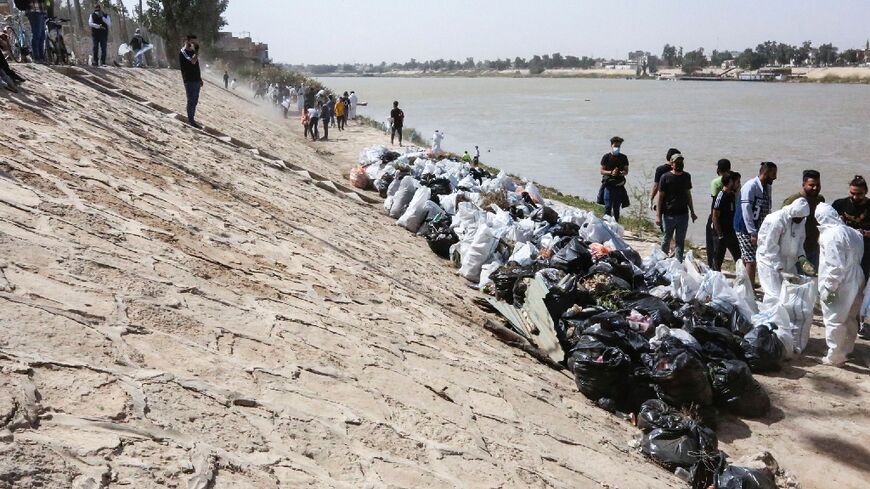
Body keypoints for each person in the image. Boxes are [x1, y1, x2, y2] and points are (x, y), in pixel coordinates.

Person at [816, 203, 866, 367]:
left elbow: (835, 266)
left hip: (841, 282)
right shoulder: (853, 232)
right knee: (851, 315)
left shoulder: (830, 235)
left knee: (834, 317)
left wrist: (829, 288)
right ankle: (845, 349)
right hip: (857, 276)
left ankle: (835, 356)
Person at [756, 198, 810, 306]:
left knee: (791, 292)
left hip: (788, 261)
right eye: (798, 218)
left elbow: (799, 242)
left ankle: (785, 318)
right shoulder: (777, 220)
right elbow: (770, 248)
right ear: (793, 214)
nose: (800, 220)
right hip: (769, 261)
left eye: (802, 218)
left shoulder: (801, 220)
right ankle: (770, 320)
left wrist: (803, 259)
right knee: (774, 295)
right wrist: (780, 269)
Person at [734, 161, 777, 285]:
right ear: (766, 173)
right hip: (745, 227)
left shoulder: (767, 187)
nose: (775, 177)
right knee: (751, 261)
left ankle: (741, 284)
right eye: (773, 174)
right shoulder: (751, 186)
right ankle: (750, 291)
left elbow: (767, 207)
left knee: (747, 257)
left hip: (759, 227)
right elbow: (746, 210)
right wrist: (752, 232)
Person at [656, 153, 697, 262]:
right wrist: (658, 216)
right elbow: (660, 197)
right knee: (666, 240)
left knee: (680, 241)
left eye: (681, 162)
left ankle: (678, 262)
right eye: (677, 162)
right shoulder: (665, 177)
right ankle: (662, 261)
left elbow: (688, 195)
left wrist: (692, 212)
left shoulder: (686, 176)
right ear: (672, 164)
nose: (680, 164)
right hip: (669, 215)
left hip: (683, 214)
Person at [783, 170, 825, 273]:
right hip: (795, 252)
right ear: (803, 184)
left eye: (818, 185)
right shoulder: (792, 201)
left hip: (814, 249)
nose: (815, 188)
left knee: (813, 280)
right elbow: (782, 226)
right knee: (797, 283)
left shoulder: (820, 199)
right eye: (811, 185)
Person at [711, 171, 742, 271]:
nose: (738, 184)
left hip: (731, 232)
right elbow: (715, 217)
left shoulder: (732, 195)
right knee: (718, 260)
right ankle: (715, 280)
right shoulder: (721, 196)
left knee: (739, 257)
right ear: (730, 182)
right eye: (737, 182)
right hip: (721, 234)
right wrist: (720, 235)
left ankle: (743, 278)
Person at [706, 158, 731, 267]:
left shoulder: (715, 182)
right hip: (730, 215)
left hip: (716, 214)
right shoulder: (734, 180)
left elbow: (715, 201)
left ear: (719, 169)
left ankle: (713, 267)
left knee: (712, 244)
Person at [598, 136, 630, 222]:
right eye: (615, 146)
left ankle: (616, 225)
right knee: (608, 207)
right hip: (609, 185)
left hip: (619, 185)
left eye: (619, 146)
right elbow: (601, 171)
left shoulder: (623, 158)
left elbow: (626, 171)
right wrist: (611, 172)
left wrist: (620, 173)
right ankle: (606, 226)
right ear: (611, 145)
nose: (617, 148)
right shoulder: (606, 157)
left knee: (616, 209)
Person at [179, 37, 203, 128]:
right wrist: (196, 51)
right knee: (191, 100)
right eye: (192, 41)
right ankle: (191, 120)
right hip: (189, 79)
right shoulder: (183, 52)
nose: (193, 43)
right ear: (187, 41)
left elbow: (196, 65)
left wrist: (199, 78)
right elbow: (193, 61)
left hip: (196, 79)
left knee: (195, 100)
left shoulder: (193, 52)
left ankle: (192, 118)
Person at [89, 3, 111, 67]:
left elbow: (109, 23)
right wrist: (98, 26)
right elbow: (90, 23)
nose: (97, 10)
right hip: (95, 34)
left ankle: (103, 62)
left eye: (98, 8)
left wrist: (103, 18)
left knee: (103, 48)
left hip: (103, 34)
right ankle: (96, 61)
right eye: (96, 9)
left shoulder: (105, 15)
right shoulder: (92, 15)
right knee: (95, 47)